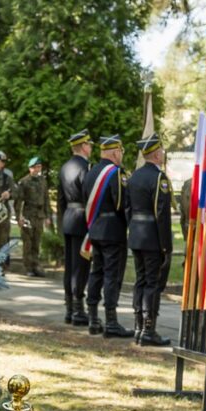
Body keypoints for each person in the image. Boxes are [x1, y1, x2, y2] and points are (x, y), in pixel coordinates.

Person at [83, 135, 133, 338]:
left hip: (95, 228)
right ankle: (111, 321)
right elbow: (121, 203)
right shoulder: (116, 173)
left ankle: (93, 318)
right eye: (120, 152)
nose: (121, 156)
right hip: (113, 230)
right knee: (112, 275)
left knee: (96, 272)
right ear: (115, 152)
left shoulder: (91, 171)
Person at [127, 133, 173, 346]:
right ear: (156, 153)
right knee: (152, 283)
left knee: (141, 281)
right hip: (153, 237)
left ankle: (138, 327)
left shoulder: (134, 176)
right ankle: (148, 329)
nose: (163, 153)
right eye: (161, 150)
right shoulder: (159, 178)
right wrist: (166, 246)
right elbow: (161, 214)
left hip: (136, 235)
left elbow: (128, 208)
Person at [58, 129, 93, 325]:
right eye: (89, 145)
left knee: (69, 266)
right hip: (82, 219)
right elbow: (89, 196)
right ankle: (78, 309)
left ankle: (69, 308)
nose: (90, 148)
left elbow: (61, 200)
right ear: (83, 146)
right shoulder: (86, 167)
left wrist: (63, 219)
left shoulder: (64, 167)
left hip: (68, 218)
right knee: (81, 266)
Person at [16, 156, 51, 277]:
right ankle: (28, 267)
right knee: (28, 242)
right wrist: (19, 217)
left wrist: (47, 216)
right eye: (35, 167)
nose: (37, 169)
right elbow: (19, 201)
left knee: (37, 241)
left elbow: (46, 198)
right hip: (28, 215)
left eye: (39, 167)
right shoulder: (24, 182)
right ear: (30, 168)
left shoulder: (43, 180)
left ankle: (36, 265)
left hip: (39, 215)